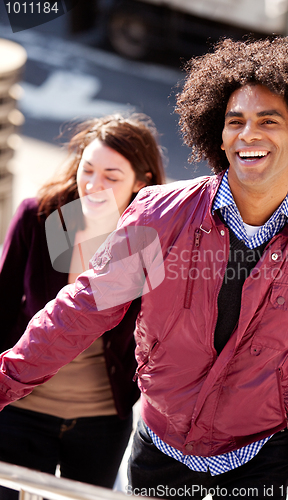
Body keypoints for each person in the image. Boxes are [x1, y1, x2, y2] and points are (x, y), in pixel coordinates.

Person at [0, 37, 288, 498]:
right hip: (162, 449)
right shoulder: (159, 214)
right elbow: (85, 306)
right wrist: (3, 380)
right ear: (219, 135)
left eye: (268, 121)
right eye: (235, 121)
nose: (248, 134)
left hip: (260, 457)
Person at [0, 113, 165, 494]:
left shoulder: (151, 237)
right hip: (21, 408)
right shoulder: (38, 216)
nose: (93, 185)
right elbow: (4, 305)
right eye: (87, 169)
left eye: (112, 176)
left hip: (102, 419)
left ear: (143, 183)